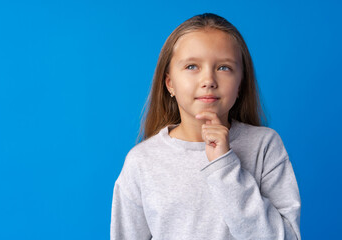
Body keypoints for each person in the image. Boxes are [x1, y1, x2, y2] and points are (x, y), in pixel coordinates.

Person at [110, 13, 301, 240]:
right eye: (192, 66)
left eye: (224, 68)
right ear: (169, 83)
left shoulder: (264, 146)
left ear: (240, 83)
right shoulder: (141, 161)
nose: (208, 80)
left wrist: (225, 166)